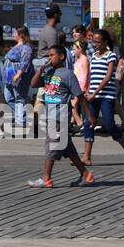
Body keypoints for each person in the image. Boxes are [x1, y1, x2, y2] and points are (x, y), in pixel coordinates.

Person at [27, 46, 94, 188]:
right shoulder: (48, 72)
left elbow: (80, 96)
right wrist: (40, 70)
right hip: (51, 115)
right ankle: (86, 174)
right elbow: (33, 84)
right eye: (48, 55)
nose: (49, 58)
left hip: (60, 116)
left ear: (62, 57)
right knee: (67, 148)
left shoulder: (68, 74)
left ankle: (46, 178)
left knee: (51, 146)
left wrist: (89, 115)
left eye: (52, 55)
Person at [82, 29, 124, 168]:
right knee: (89, 123)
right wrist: (88, 91)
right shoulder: (93, 56)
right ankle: (86, 156)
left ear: (105, 42)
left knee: (110, 125)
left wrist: (95, 93)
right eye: (93, 41)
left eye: (98, 42)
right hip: (93, 94)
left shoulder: (111, 56)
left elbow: (107, 77)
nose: (95, 44)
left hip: (107, 95)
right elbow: (91, 76)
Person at [3, 26, 34, 133]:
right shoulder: (17, 45)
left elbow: (25, 62)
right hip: (9, 77)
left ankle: (21, 122)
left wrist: (18, 75)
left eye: (15, 33)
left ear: (21, 35)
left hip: (18, 77)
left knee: (19, 98)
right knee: (9, 97)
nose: (13, 35)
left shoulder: (26, 47)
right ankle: (18, 118)